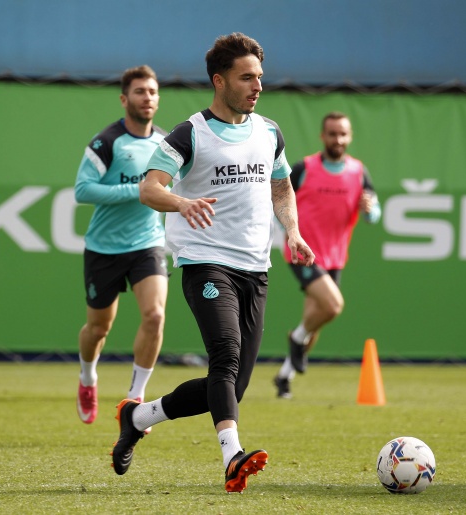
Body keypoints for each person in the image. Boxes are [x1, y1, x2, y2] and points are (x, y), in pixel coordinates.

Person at [110, 32, 314, 493]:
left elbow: (281, 186)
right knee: (225, 354)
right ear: (219, 81)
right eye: (246, 78)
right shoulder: (190, 133)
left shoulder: (269, 131)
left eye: (259, 77)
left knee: (230, 387)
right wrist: (182, 203)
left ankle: (138, 417)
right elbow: (149, 188)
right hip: (205, 263)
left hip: (256, 269)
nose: (257, 86)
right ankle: (232, 457)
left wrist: (293, 230)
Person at [73, 65, 169, 425]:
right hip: (104, 248)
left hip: (148, 243)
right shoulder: (107, 141)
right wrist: (138, 190)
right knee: (98, 328)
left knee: (155, 315)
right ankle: (87, 377)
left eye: (153, 92)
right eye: (140, 91)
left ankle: (135, 399)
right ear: (124, 99)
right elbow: (83, 190)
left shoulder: (166, 143)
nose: (147, 98)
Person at [273, 112, 381, 399]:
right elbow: (279, 198)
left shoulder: (359, 171)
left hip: (335, 257)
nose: (338, 139)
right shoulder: (304, 168)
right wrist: (287, 232)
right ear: (323, 136)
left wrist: (370, 209)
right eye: (332, 134)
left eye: (343, 134)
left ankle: (284, 376)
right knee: (332, 306)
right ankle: (296, 339)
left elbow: (374, 213)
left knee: (314, 319)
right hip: (303, 252)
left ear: (350, 136)